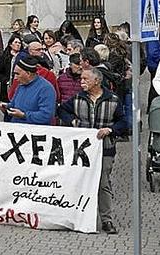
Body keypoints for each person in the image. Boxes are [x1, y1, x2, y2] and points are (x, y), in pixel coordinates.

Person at [58, 67, 127, 235]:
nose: (82, 82)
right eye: (81, 79)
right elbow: (61, 110)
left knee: (103, 183)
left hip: (105, 149)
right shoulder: (77, 98)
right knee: (79, 181)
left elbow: (124, 123)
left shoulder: (113, 100)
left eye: (85, 79)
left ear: (97, 81)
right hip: (81, 152)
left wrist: (110, 131)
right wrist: (72, 121)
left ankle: (106, 219)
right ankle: (77, 216)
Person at [2, 56, 56, 125]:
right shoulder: (21, 85)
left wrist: (24, 115)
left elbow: (46, 116)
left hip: (34, 131)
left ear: (28, 73)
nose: (15, 78)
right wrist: (7, 106)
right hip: (16, 128)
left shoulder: (46, 89)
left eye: (17, 74)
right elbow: (14, 104)